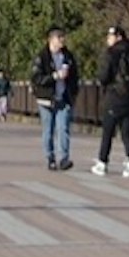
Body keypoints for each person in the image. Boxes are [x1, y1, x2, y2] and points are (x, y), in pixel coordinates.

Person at [90, 24, 129, 178]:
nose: (108, 39)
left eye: (111, 36)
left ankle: (102, 163)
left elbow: (103, 76)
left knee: (108, 132)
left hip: (113, 97)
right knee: (126, 133)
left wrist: (105, 82)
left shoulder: (110, 54)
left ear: (118, 37)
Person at [32, 27, 81, 171]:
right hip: (46, 99)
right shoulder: (42, 57)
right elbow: (36, 78)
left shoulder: (68, 56)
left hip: (63, 98)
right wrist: (55, 76)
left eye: (63, 38)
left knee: (63, 128)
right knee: (48, 129)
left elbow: (75, 75)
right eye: (59, 38)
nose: (62, 41)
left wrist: (73, 91)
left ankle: (64, 159)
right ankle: (50, 157)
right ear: (51, 40)